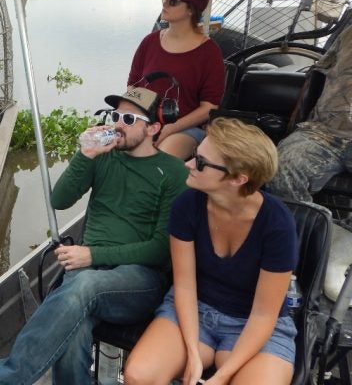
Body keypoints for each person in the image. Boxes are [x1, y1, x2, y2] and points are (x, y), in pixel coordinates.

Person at [0, 87, 189, 385]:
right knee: (71, 335)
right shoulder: (102, 157)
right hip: (88, 269)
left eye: (129, 118)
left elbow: (159, 251)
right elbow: (59, 200)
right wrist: (85, 154)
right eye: (116, 115)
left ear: (153, 128)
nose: (117, 124)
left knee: (84, 285)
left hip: (139, 279)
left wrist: (92, 255)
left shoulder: (173, 173)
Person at [125, 117, 297, 385]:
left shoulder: (277, 224)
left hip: (254, 323)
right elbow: (184, 285)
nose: (188, 164)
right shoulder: (187, 204)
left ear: (238, 178)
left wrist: (222, 376)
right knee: (138, 376)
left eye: (201, 163)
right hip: (196, 309)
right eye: (195, 155)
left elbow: (264, 314)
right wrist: (192, 353)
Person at [128, 0, 225, 160]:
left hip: (185, 128)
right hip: (147, 120)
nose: (165, 5)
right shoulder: (149, 42)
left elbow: (209, 107)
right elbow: (133, 85)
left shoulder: (209, 52)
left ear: (191, 9)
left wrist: (170, 128)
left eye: (173, 2)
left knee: (159, 158)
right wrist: (137, 119)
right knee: (109, 147)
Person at [266, 25, 352, 205]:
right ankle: (303, 227)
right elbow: (318, 73)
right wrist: (297, 120)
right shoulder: (349, 33)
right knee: (282, 167)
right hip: (324, 132)